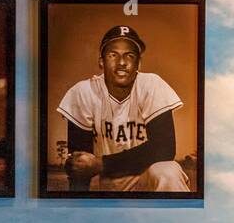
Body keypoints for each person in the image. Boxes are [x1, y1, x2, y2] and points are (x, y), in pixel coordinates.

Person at [58, 25, 189, 192]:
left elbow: (165, 148)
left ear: (138, 63)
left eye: (130, 55)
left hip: (148, 180)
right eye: (113, 55)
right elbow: (80, 166)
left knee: (167, 171)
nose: (121, 62)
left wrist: (101, 163)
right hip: (110, 185)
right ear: (101, 61)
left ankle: (177, 217)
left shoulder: (151, 85)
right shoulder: (83, 92)